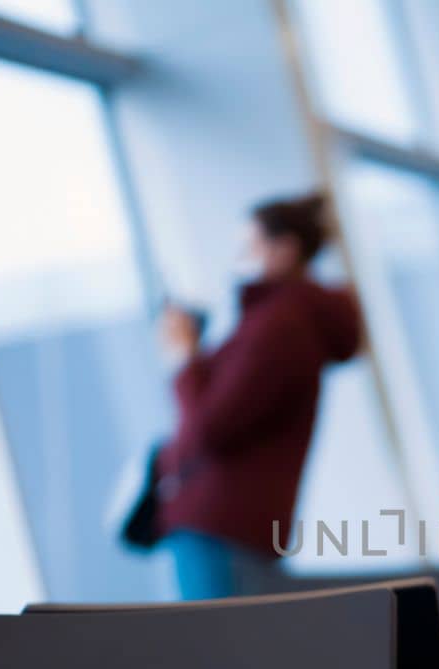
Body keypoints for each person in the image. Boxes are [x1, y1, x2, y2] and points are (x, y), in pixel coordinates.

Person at [155, 193, 362, 600]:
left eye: (250, 247)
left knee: (223, 653)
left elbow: (210, 427)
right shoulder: (282, 321)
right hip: (232, 525)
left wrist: (184, 355)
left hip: (223, 524)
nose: (240, 261)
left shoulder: (280, 326)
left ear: (285, 250)